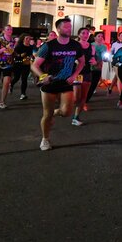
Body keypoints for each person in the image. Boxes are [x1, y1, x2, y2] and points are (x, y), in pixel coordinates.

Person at [31, 18, 86, 151]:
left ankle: (55, 112)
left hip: (66, 83)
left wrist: (74, 75)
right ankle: (45, 139)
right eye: (66, 27)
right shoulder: (48, 46)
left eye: (70, 26)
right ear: (58, 29)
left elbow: (82, 62)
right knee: (47, 115)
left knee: (67, 112)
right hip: (50, 83)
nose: (69, 29)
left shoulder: (75, 45)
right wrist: (43, 76)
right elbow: (34, 65)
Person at [71, 27, 94, 125]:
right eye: (83, 33)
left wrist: (94, 61)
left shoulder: (91, 47)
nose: (85, 35)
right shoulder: (74, 45)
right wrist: (75, 61)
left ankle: (76, 117)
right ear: (79, 35)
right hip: (77, 73)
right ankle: (65, 108)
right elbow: (69, 57)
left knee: (84, 97)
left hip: (87, 72)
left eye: (87, 33)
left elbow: (93, 58)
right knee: (76, 98)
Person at [11, 33, 36, 101]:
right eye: (26, 38)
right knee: (16, 78)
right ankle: (11, 84)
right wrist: (20, 55)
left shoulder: (30, 47)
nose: (28, 40)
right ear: (23, 39)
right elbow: (14, 54)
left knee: (24, 79)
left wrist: (31, 57)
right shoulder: (19, 46)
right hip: (18, 64)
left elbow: (31, 55)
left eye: (29, 38)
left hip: (26, 64)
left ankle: (23, 94)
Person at [85, 32, 107, 106]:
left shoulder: (104, 47)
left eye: (102, 36)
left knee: (94, 84)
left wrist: (105, 59)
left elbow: (104, 57)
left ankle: (86, 99)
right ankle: (84, 100)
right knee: (88, 84)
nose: (100, 37)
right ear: (95, 38)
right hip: (90, 67)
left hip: (98, 67)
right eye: (99, 36)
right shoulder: (90, 45)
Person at [108, 31, 122, 95]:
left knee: (117, 76)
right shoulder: (115, 44)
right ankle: (121, 94)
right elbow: (111, 52)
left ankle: (110, 88)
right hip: (116, 62)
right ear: (118, 37)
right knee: (120, 77)